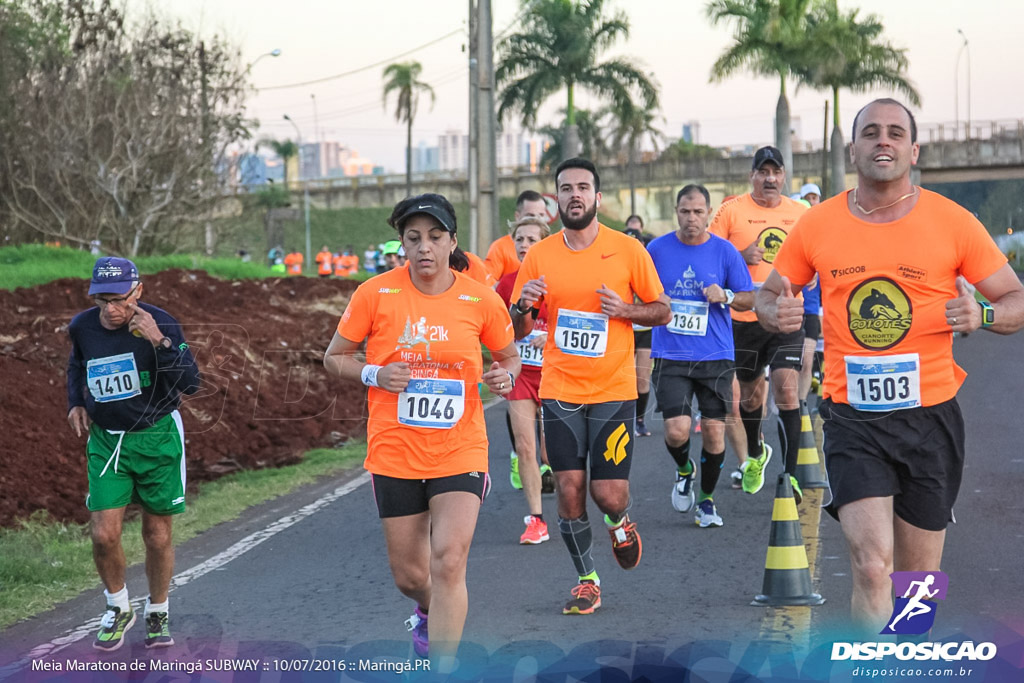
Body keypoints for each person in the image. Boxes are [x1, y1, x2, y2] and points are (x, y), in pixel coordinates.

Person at [755, 98, 1024, 634]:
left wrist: (983, 310)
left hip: (931, 418)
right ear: (852, 148)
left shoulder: (954, 221)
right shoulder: (818, 224)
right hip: (853, 418)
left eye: (896, 132)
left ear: (913, 150)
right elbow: (769, 296)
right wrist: (774, 310)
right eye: (871, 132)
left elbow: (1015, 300)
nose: (884, 140)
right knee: (873, 566)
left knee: (917, 581)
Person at [323, 193, 520, 669]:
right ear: (402, 244)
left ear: (453, 242)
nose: (424, 247)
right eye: (414, 238)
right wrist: (375, 373)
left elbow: (508, 356)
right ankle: (429, 611)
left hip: (460, 449)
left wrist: (506, 375)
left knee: (449, 560)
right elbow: (335, 357)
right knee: (411, 575)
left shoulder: (480, 298)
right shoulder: (375, 294)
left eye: (435, 237)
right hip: (395, 452)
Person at [511, 158, 670, 615]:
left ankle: (619, 522)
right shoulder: (539, 256)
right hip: (560, 390)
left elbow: (662, 310)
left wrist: (624, 311)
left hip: (613, 390)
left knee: (608, 494)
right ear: (555, 199)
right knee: (569, 489)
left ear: (597, 198)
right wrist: (524, 305)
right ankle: (587, 580)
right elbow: (518, 330)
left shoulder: (627, 249)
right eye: (566, 188)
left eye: (583, 187)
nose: (574, 195)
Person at [66, 257, 201, 652]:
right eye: (101, 300)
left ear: (137, 291)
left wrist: (159, 339)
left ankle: (157, 609)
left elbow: (191, 383)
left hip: (156, 437)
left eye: (119, 300)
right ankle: (116, 606)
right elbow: (77, 364)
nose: (110, 309)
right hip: (108, 441)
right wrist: (76, 401)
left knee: (157, 535)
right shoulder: (82, 326)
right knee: (104, 534)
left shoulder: (162, 323)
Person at [647, 185, 754, 527]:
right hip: (671, 353)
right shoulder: (657, 250)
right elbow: (637, 289)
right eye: (684, 211)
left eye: (697, 212)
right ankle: (684, 470)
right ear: (675, 212)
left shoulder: (725, 252)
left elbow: (749, 299)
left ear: (708, 213)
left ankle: (706, 502)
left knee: (713, 433)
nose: (691, 218)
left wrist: (725, 294)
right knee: (677, 431)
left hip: (715, 354)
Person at [710, 145, 808, 502]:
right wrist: (739, 256)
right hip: (742, 316)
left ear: (784, 176)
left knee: (785, 389)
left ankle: (791, 476)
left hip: (786, 313)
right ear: (752, 176)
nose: (770, 178)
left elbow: (814, 254)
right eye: (763, 172)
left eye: (776, 172)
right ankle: (755, 452)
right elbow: (707, 255)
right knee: (749, 400)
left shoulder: (801, 212)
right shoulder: (731, 211)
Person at [495, 216, 554, 544]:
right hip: (520, 375)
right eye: (519, 239)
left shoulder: (560, 279)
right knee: (525, 447)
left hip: (555, 373)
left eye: (531, 239)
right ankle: (536, 520)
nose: (524, 245)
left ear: (543, 244)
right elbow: (494, 329)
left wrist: (549, 337)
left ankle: (569, 505)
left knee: (552, 453)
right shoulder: (506, 285)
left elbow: (580, 321)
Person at [624, 215, 655, 437]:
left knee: (642, 378)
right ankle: (623, 418)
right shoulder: (613, 265)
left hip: (645, 331)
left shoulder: (649, 265)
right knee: (624, 378)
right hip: (623, 330)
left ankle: (640, 419)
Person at [485, 190, 549, 282]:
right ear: (517, 216)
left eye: (541, 215)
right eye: (530, 215)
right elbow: (488, 283)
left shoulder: (553, 244)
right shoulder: (500, 247)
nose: (536, 220)